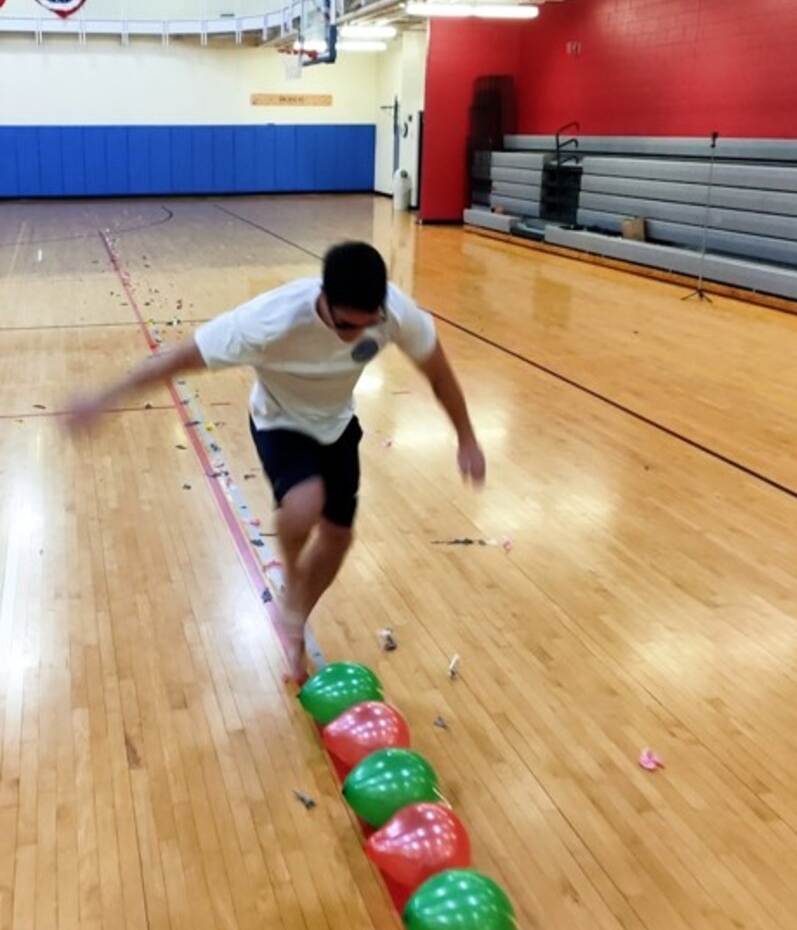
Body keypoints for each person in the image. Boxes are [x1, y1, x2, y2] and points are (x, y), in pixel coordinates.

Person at [66, 240, 486, 681]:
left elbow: (438, 373)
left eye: (370, 325)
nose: (358, 336)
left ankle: (298, 618)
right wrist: (103, 397)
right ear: (324, 299)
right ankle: (290, 585)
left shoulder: (393, 313)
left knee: (339, 539)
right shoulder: (269, 321)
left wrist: (468, 439)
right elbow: (176, 359)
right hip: (278, 420)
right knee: (304, 503)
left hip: (336, 422)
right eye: (346, 327)